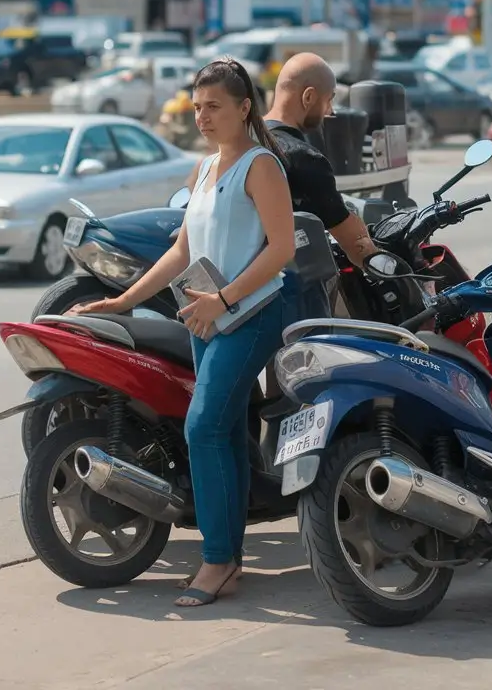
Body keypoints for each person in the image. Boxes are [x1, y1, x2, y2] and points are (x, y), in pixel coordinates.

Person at [73, 57, 295, 607]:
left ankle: (218, 560)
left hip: (250, 313)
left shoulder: (261, 166)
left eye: (214, 106)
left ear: (245, 108)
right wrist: (125, 300)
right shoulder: (202, 170)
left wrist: (223, 298)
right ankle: (231, 557)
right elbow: (182, 250)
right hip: (204, 314)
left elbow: (283, 250)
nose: (202, 117)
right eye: (197, 107)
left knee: (203, 428)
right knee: (224, 433)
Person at [264, 51, 378, 276]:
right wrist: (379, 259)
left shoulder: (241, 142)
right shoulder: (303, 158)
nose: (331, 110)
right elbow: (353, 243)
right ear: (308, 97)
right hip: (288, 292)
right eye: (329, 99)